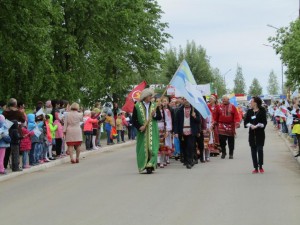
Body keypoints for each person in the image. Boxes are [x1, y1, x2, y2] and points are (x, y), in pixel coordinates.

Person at [132, 88, 162, 174]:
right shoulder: (137, 106)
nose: (151, 97)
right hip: (143, 131)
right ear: (145, 97)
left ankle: (151, 164)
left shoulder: (155, 105)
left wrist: (155, 114)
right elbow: (134, 120)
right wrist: (139, 127)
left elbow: (159, 117)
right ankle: (144, 164)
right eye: (150, 96)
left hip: (153, 130)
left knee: (153, 147)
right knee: (143, 148)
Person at [174, 99, 200, 169]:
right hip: (182, 132)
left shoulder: (194, 110)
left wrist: (195, 117)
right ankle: (185, 160)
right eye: (185, 100)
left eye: (188, 101)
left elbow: (199, 121)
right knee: (184, 147)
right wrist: (176, 132)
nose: (187, 102)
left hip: (191, 131)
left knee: (190, 146)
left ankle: (190, 161)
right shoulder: (179, 111)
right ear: (183, 101)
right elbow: (176, 122)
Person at [244, 97, 267, 174]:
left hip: (260, 134)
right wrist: (250, 125)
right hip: (251, 134)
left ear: (256, 103)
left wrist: (257, 126)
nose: (250, 103)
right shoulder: (249, 111)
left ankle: (260, 166)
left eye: (252, 101)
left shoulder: (262, 111)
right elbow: (245, 122)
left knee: (260, 149)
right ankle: (255, 167)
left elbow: (264, 122)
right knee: (253, 151)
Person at [214, 95, 240, 159]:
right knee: (221, 140)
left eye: (225, 99)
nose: (224, 101)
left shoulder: (233, 107)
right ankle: (223, 152)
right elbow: (216, 115)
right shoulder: (219, 107)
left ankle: (231, 153)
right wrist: (214, 122)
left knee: (231, 141)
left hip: (230, 126)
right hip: (221, 125)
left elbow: (236, 115)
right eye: (223, 100)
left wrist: (237, 122)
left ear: (228, 100)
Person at [2, 98, 26, 170]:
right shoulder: (18, 112)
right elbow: (23, 120)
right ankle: (15, 166)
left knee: (7, 150)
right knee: (15, 149)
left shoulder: (4, 112)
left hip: (7, 130)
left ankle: (4, 166)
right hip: (16, 131)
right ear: (15, 104)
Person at [157, 97, 173, 168]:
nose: (159, 103)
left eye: (160, 102)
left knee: (163, 145)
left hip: (163, 129)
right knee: (157, 145)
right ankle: (157, 160)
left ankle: (162, 161)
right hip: (155, 129)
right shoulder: (154, 111)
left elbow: (168, 120)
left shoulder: (166, 111)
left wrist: (167, 130)